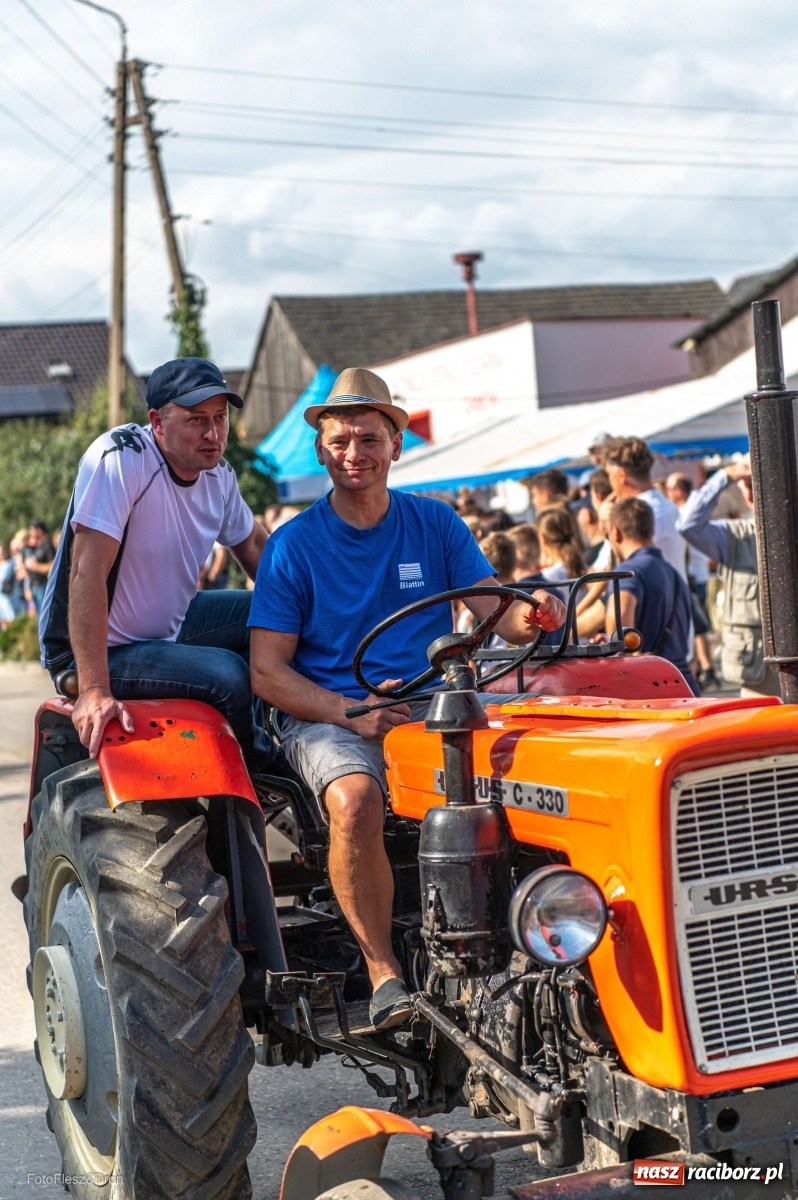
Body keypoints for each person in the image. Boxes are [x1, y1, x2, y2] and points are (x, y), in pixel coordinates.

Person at [248, 367, 565, 1030]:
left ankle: (544, 941)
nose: (353, 454)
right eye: (338, 442)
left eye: (367, 439)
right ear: (320, 450)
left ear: (395, 445)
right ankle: (384, 972)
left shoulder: (435, 525)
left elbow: (494, 612)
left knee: (537, 774)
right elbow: (268, 674)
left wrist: (532, 612)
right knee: (356, 799)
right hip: (333, 712)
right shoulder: (292, 548)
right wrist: (346, 709)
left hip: (429, 706)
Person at [39, 357, 273, 769]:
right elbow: (86, 572)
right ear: (157, 422)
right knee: (227, 674)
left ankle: (290, 733)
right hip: (101, 649)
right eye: (196, 419)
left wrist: (320, 612)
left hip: (170, 627)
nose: (213, 433)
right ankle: (261, 769)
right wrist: (93, 689)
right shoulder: (121, 458)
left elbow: (255, 544)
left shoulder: (219, 476)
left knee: (275, 615)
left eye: (220, 418)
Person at [677, 459, 779, 698]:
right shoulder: (736, 535)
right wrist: (726, 476)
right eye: (750, 483)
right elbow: (687, 524)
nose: (756, 490)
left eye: (763, 483)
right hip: (758, 672)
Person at [605, 498, 698, 695]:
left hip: (652, 690)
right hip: (685, 685)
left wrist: (618, 648)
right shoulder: (672, 572)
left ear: (615, 532)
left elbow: (618, 615)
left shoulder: (628, 571)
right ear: (652, 531)